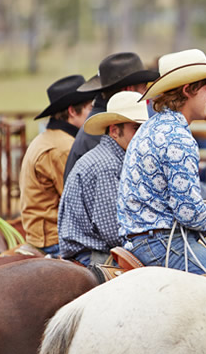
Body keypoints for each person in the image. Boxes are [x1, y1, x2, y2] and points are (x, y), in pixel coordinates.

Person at [117, 49, 206, 274]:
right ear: (188, 90)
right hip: (163, 245)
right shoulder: (178, 137)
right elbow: (188, 212)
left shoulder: (153, 126)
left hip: (143, 241)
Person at [58, 92, 148, 267]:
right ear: (114, 131)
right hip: (93, 255)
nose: (142, 136)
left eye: (144, 129)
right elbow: (113, 231)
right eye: (136, 129)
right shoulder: (108, 165)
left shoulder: (109, 158)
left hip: (92, 250)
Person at [19, 75, 94, 256]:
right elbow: (78, 202)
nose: (93, 114)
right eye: (89, 109)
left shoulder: (48, 139)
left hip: (42, 233)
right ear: (72, 112)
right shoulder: (63, 148)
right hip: (54, 239)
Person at [63, 53, 158, 182]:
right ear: (129, 90)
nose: (146, 94)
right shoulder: (105, 133)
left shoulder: (101, 126)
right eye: (143, 88)